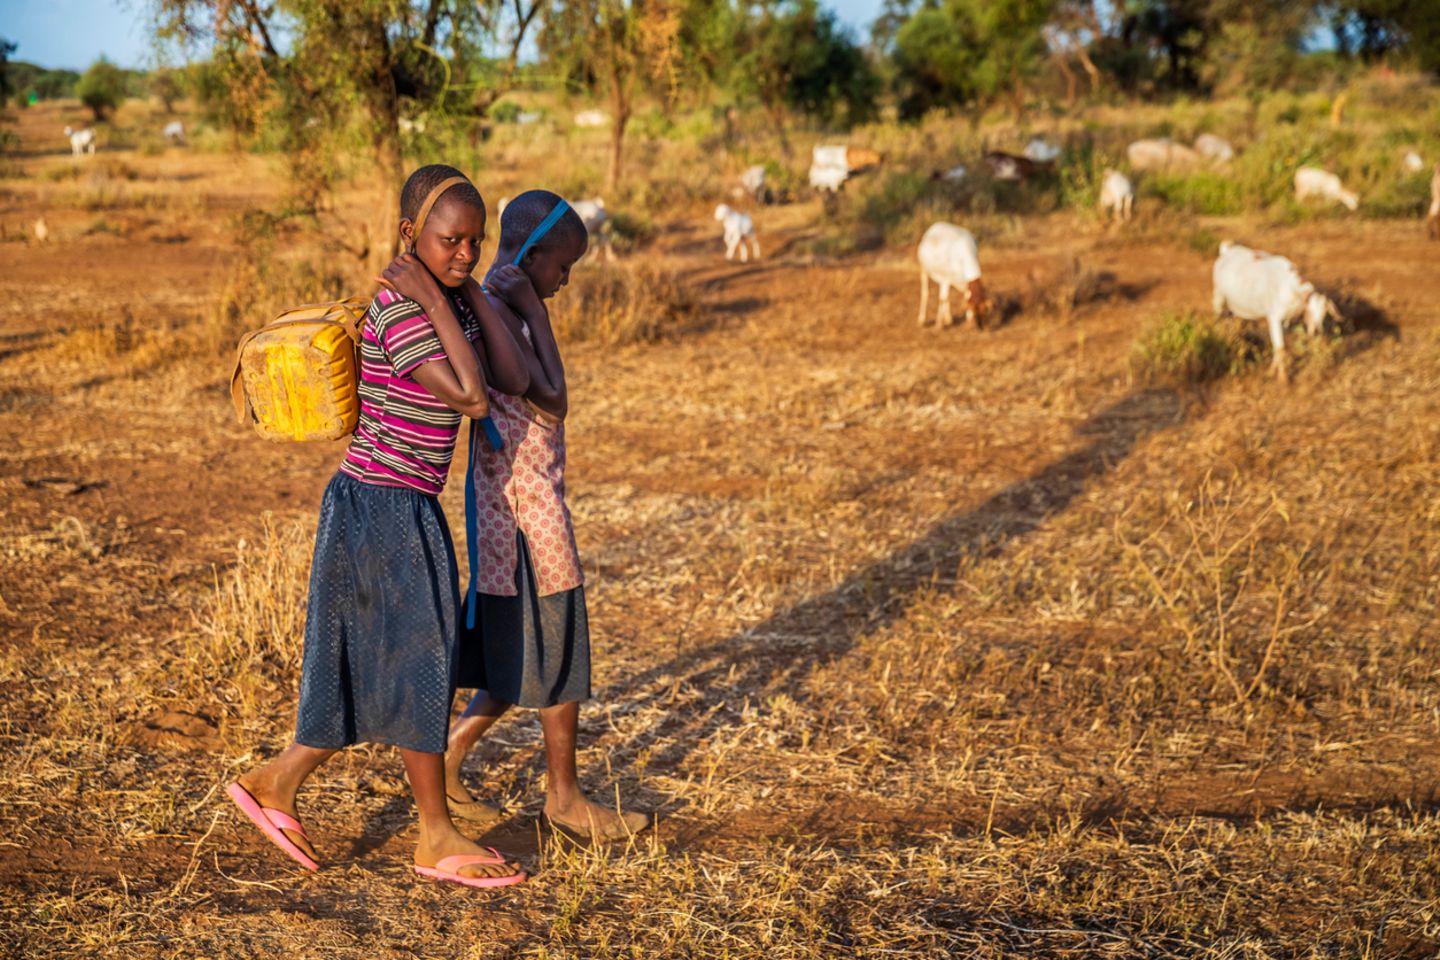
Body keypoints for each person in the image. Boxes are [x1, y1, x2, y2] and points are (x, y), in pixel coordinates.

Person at [225, 164, 532, 888]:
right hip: (380, 504)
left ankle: (275, 783)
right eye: (450, 242)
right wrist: (427, 291)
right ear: (408, 236)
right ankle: (433, 834)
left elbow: (513, 377)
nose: (464, 255)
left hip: (405, 506)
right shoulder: (398, 311)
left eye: (475, 244)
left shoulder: (452, 302)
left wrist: (466, 291)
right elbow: (473, 398)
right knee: (420, 665)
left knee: (385, 668)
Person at [444, 190, 648, 840]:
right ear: (531, 256)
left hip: (517, 512)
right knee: (559, 651)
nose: (563, 282)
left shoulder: (499, 308)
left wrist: (532, 302)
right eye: (560, 269)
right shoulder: (505, 312)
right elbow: (554, 399)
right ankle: (564, 799)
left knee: (521, 653)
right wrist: (533, 304)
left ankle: (449, 759)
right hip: (527, 518)